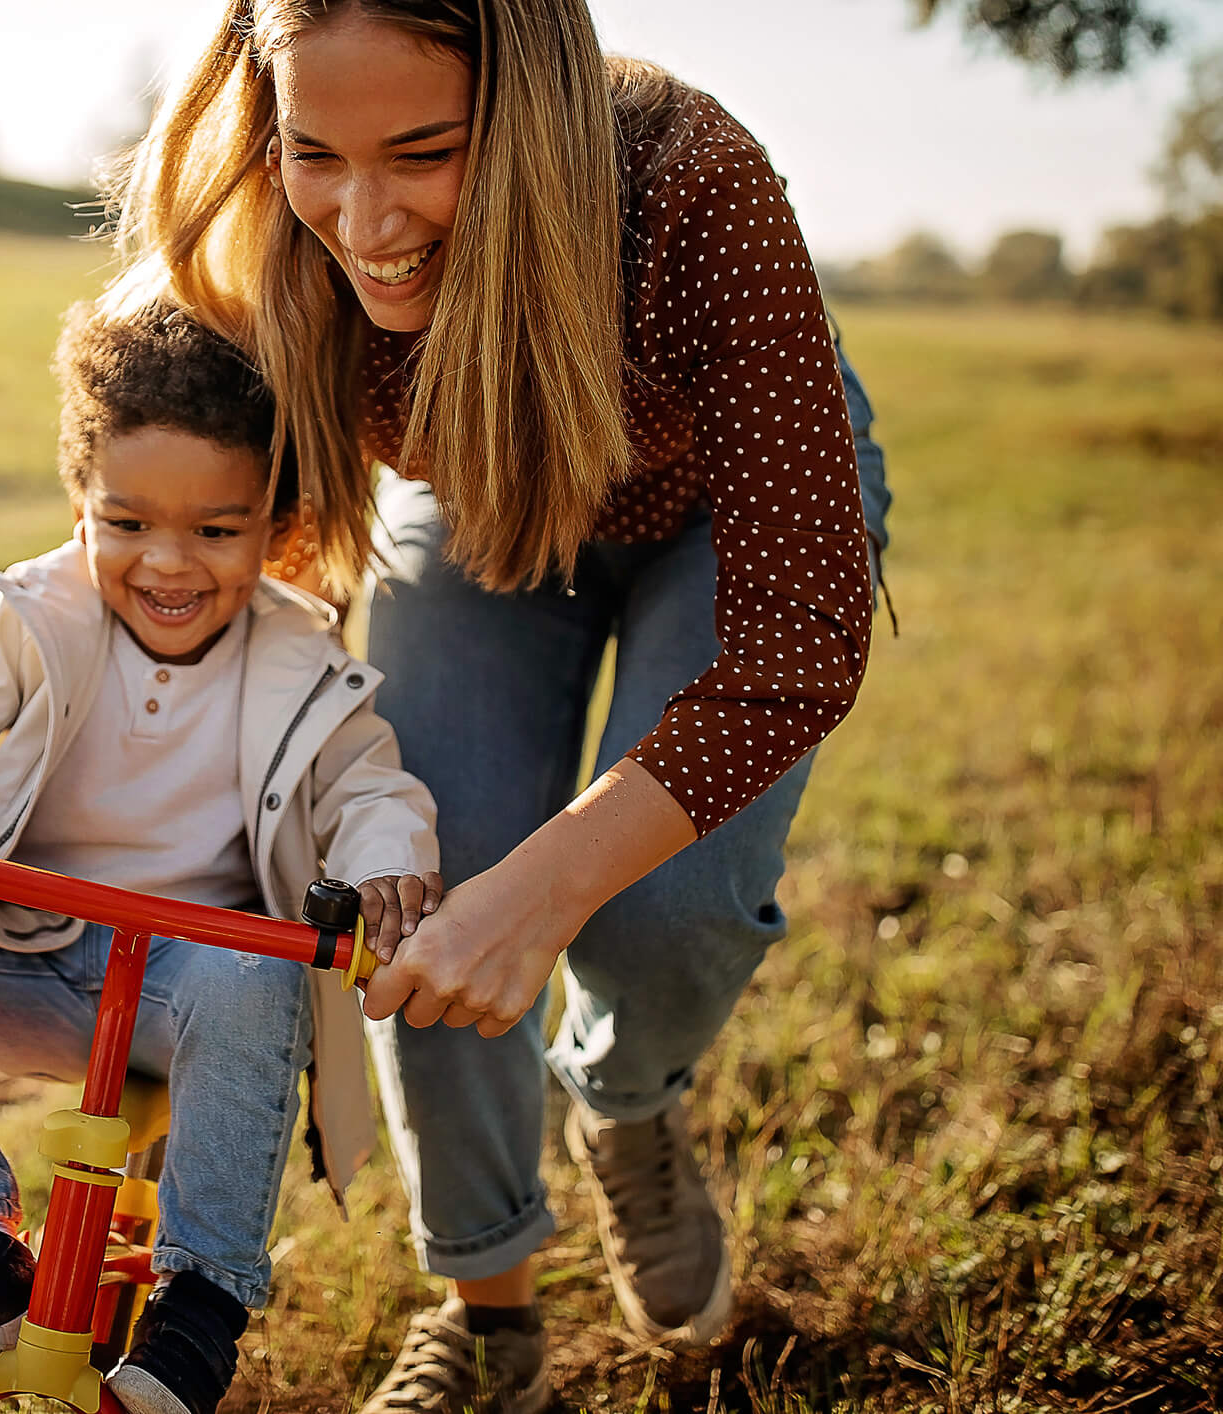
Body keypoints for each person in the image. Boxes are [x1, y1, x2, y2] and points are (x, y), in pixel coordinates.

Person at [101, 2, 892, 1410]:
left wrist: (540, 899)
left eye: (423, 152)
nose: (364, 217)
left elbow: (796, 640)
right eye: (315, 154)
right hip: (476, 500)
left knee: (658, 910)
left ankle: (627, 1099)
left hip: (717, 509)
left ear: (526, 113)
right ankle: (491, 1305)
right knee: (416, 870)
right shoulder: (263, 252)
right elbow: (206, 572)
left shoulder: (693, 181)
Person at [0, 301, 444, 1414]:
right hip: (28, 960)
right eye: (128, 521)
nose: (169, 562)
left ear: (273, 524)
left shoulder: (298, 654)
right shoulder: (38, 614)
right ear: (79, 506)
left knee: (254, 974)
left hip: (190, 996)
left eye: (215, 529)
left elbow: (369, 786)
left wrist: (389, 859)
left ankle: (201, 1299)